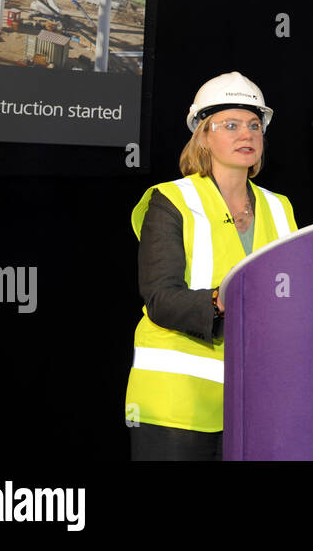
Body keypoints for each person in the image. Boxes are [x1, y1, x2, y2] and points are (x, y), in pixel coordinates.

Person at [126, 72, 297, 460]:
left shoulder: (279, 207)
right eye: (231, 125)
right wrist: (225, 298)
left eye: (255, 126)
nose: (247, 135)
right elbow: (160, 298)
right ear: (203, 135)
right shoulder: (171, 200)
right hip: (176, 407)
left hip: (257, 403)